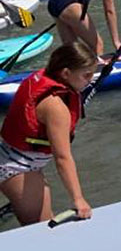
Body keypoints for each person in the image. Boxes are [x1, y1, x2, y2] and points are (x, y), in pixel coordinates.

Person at [0, 42, 98, 225]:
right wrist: (78, 199)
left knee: (45, 219)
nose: (91, 80)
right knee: (39, 229)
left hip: (14, 157)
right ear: (66, 73)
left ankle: (19, 201)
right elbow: (62, 158)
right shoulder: (56, 108)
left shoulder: (43, 76)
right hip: (16, 167)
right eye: (86, 75)